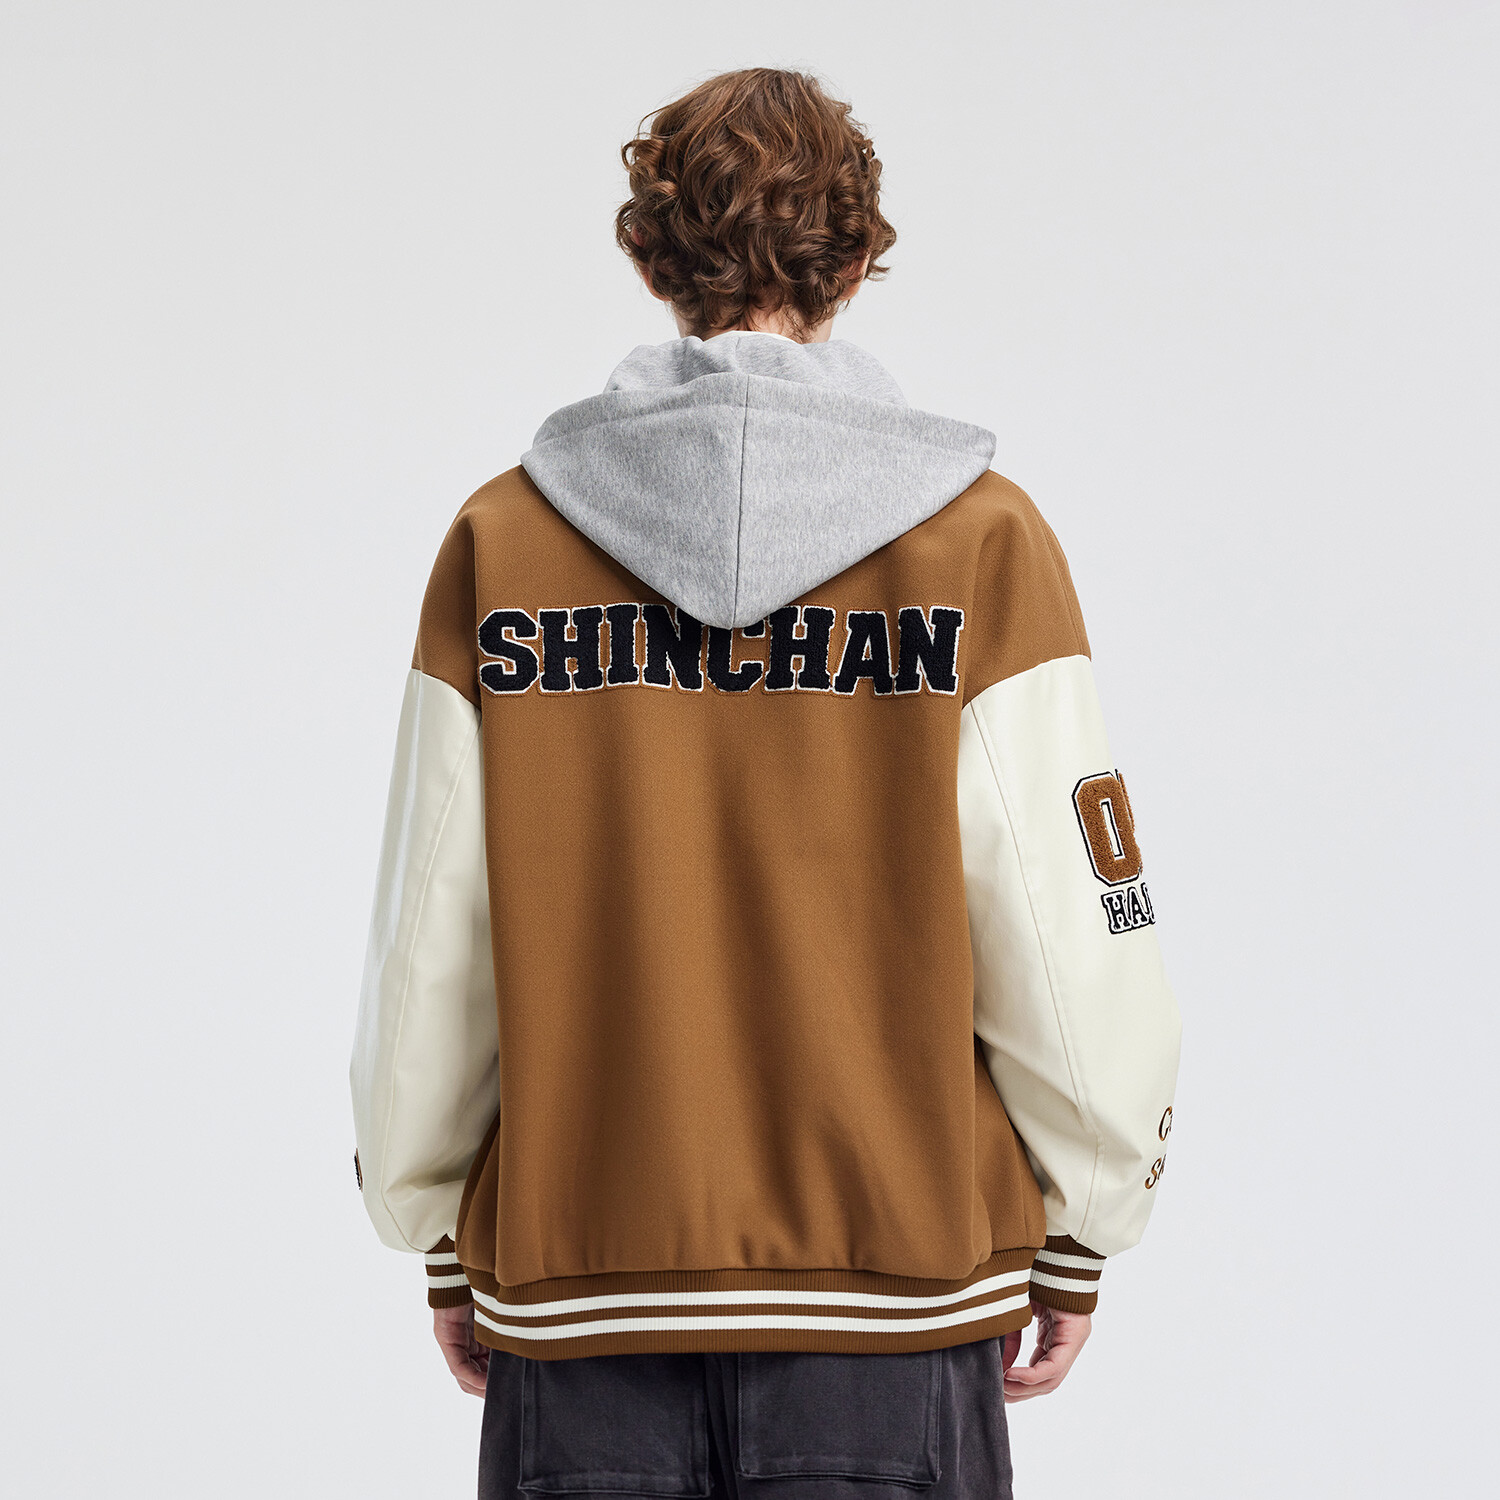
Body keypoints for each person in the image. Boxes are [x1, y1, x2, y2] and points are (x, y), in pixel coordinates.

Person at [350, 66, 1182, 1499]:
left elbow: (431, 931)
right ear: (855, 262)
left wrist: (433, 1216)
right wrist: (1088, 1217)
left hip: (585, 1304)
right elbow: (1072, 922)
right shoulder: (982, 545)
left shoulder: (504, 545)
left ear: (650, 260)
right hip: (894, 1309)